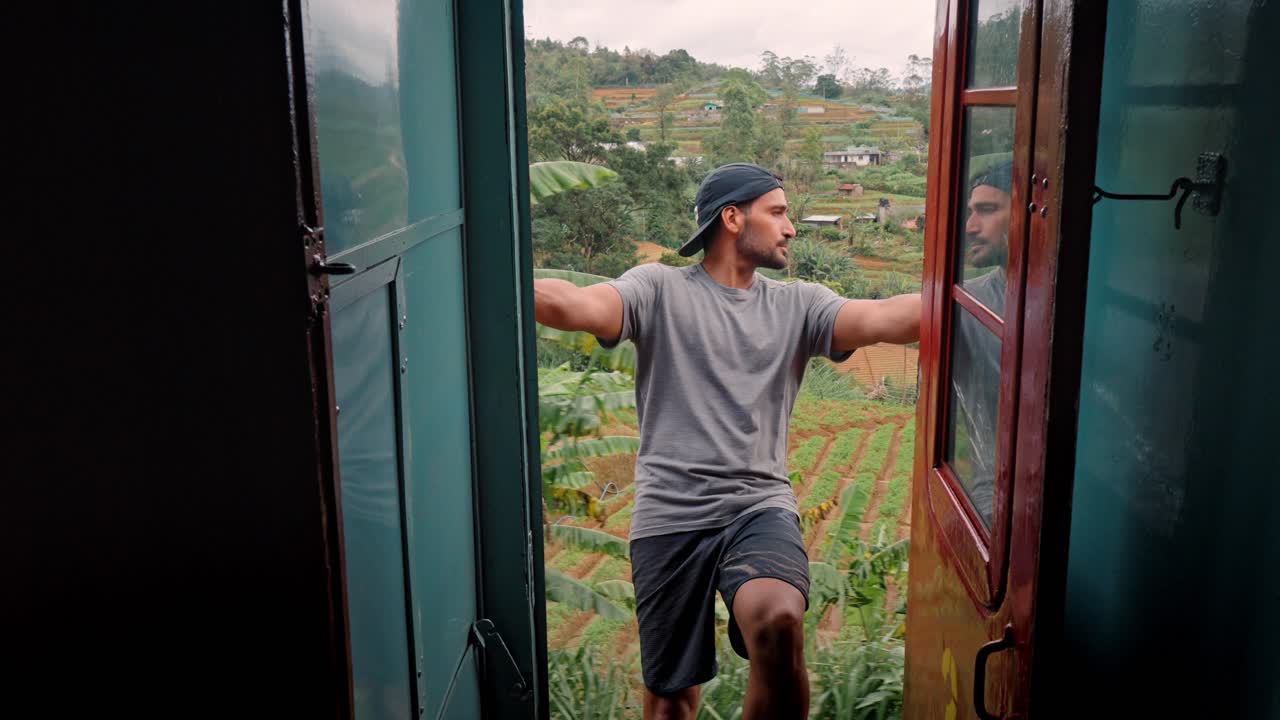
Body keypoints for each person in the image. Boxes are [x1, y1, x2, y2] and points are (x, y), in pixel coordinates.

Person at [533, 162, 921, 720]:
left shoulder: (800, 305)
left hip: (757, 505)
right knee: (671, 701)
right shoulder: (658, 288)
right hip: (670, 516)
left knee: (780, 620)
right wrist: (501, 274)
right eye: (779, 212)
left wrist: (974, 298)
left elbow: (885, 316)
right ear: (733, 218)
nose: (790, 228)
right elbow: (580, 304)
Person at [949, 158, 1012, 527]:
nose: (970, 227)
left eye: (987, 211)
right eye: (970, 212)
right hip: (988, 508)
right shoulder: (967, 302)